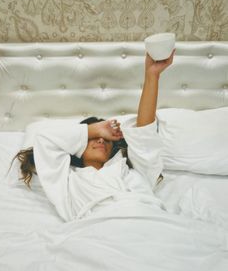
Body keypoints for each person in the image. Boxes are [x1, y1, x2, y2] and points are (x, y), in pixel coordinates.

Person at [13, 50, 175, 222]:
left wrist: (152, 75)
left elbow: (145, 133)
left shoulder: (132, 170)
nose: (100, 140)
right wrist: (95, 129)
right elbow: (45, 141)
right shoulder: (66, 180)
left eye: (107, 139)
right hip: (97, 231)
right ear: (78, 144)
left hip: (149, 221)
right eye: (94, 137)